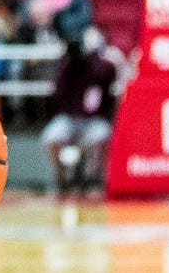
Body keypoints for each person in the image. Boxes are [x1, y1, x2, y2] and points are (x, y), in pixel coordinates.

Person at [41, 26, 116, 195]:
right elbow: (58, 90)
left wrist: (91, 56)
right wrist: (70, 60)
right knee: (51, 136)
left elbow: (105, 75)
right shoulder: (69, 63)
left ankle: (91, 179)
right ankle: (62, 180)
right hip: (69, 117)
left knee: (101, 136)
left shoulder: (105, 62)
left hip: (94, 119)